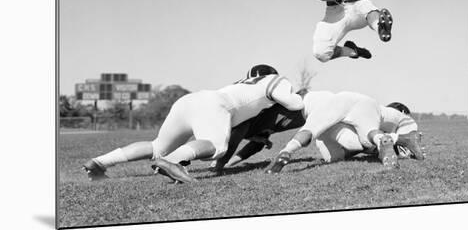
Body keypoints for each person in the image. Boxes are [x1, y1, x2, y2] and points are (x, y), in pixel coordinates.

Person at [82, 64, 304, 183]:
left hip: (190, 101)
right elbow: (293, 103)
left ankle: (99, 162)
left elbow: (237, 130)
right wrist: (300, 97)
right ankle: (173, 161)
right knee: (216, 147)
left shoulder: (241, 87)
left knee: (157, 146)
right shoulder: (275, 79)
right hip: (214, 104)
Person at [265, 91, 422, 174]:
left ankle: (286, 151)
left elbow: (308, 130)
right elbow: (406, 120)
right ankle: (397, 139)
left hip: (341, 106)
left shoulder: (313, 103)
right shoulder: (322, 97)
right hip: (356, 105)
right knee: (339, 153)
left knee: (311, 131)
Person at [314, 102, 424, 163]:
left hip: (326, 130)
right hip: (333, 125)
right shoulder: (395, 117)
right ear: (403, 112)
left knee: (334, 158)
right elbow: (402, 154)